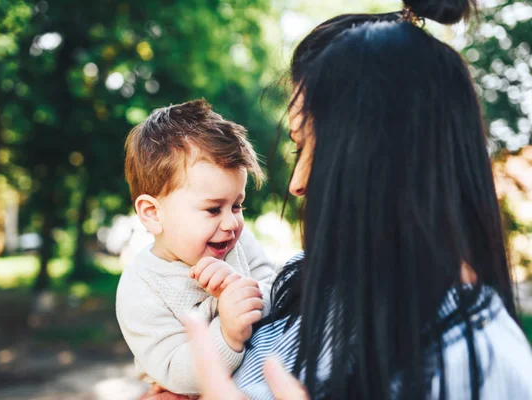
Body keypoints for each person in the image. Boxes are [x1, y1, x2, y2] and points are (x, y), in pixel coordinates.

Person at [142, 0, 532, 399]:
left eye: (310, 148)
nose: (296, 183)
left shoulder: (484, 365)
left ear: (379, 153)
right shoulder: (299, 283)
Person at [116, 99, 276, 395]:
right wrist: (227, 332)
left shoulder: (239, 242)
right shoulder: (141, 289)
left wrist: (245, 294)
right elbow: (174, 372)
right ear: (153, 213)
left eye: (237, 205)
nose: (231, 223)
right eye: (214, 209)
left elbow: (276, 290)